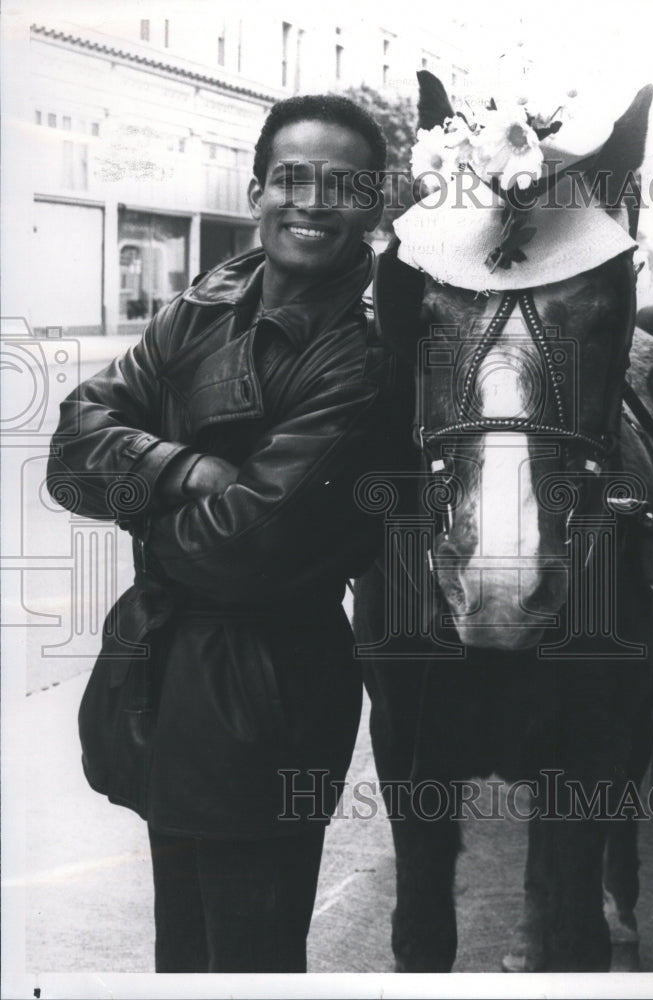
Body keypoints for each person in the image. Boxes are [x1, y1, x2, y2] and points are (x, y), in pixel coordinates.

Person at [47, 95, 399, 973]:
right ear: (256, 192)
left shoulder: (367, 352)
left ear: (377, 208)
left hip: (270, 687)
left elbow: (244, 553)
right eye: (290, 178)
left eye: (341, 185)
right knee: (182, 947)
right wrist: (187, 472)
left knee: (248, 953)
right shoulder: (206, 303)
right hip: (164, 671)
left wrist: (141, 495)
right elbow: (71, 445)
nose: (311, 201)